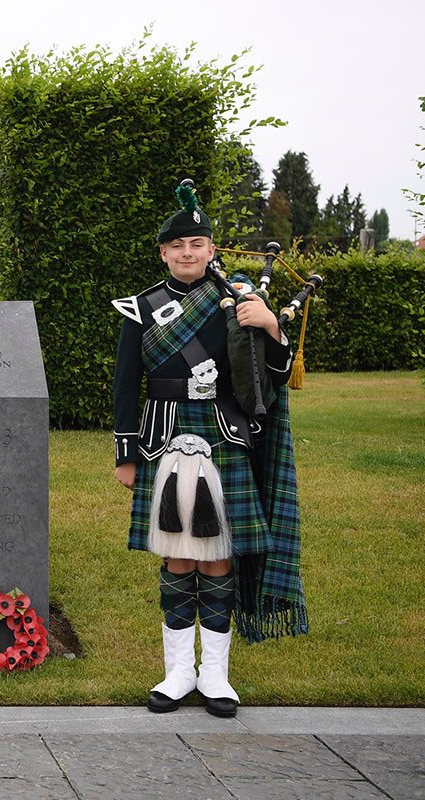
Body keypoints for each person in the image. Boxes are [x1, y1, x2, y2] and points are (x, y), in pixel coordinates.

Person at [111, 180, 308, 718]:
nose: (187, 254)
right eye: (177, 247)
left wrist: (271, 326)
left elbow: (268, 377)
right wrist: (126, 453)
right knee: (178, 554)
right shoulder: (142, 308)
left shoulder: (239, 300)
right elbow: (125, 385)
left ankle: (215, 675)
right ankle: (177, 673)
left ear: (211, 249)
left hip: (223, 434)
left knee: (218, 556)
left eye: (196, 245)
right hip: (163, 438)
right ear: (163, 254)